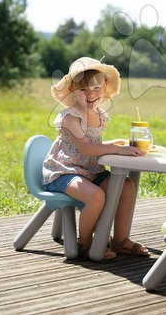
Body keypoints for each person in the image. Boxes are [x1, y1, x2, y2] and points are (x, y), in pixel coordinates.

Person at [43, 57, 150, 260]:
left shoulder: (99, 114)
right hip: (64, 172)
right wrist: (116, 150)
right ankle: (85, 242)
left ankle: (120, 240)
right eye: (83, 90)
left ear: (105, 88)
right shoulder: (71, 117)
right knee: (96, 196)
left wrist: (117, 143)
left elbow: (94, 142)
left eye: (96, 88)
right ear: (73, 90)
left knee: (126, 186)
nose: (91, 94)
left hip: (90, 171)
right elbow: (86, 147)